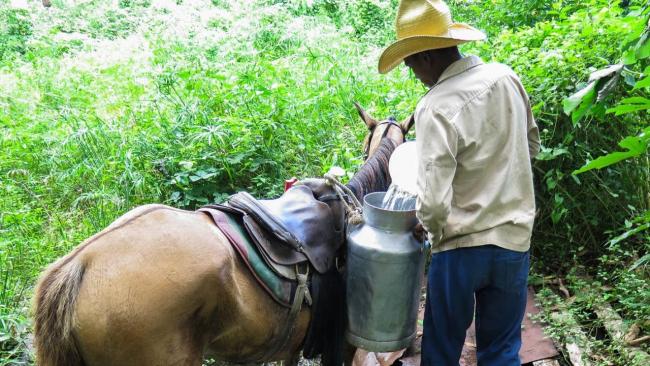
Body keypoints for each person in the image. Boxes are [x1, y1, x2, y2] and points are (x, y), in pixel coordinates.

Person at [378, 1, 540, 365]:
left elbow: (434, 201)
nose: (415, 74)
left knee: (442, 350)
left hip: (461, 247)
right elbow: (531, 146)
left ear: (426, 58)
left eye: (411, 66)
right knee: (501, 350)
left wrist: (431, 232)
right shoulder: (506, 77)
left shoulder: (435, 105)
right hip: (513, 240)